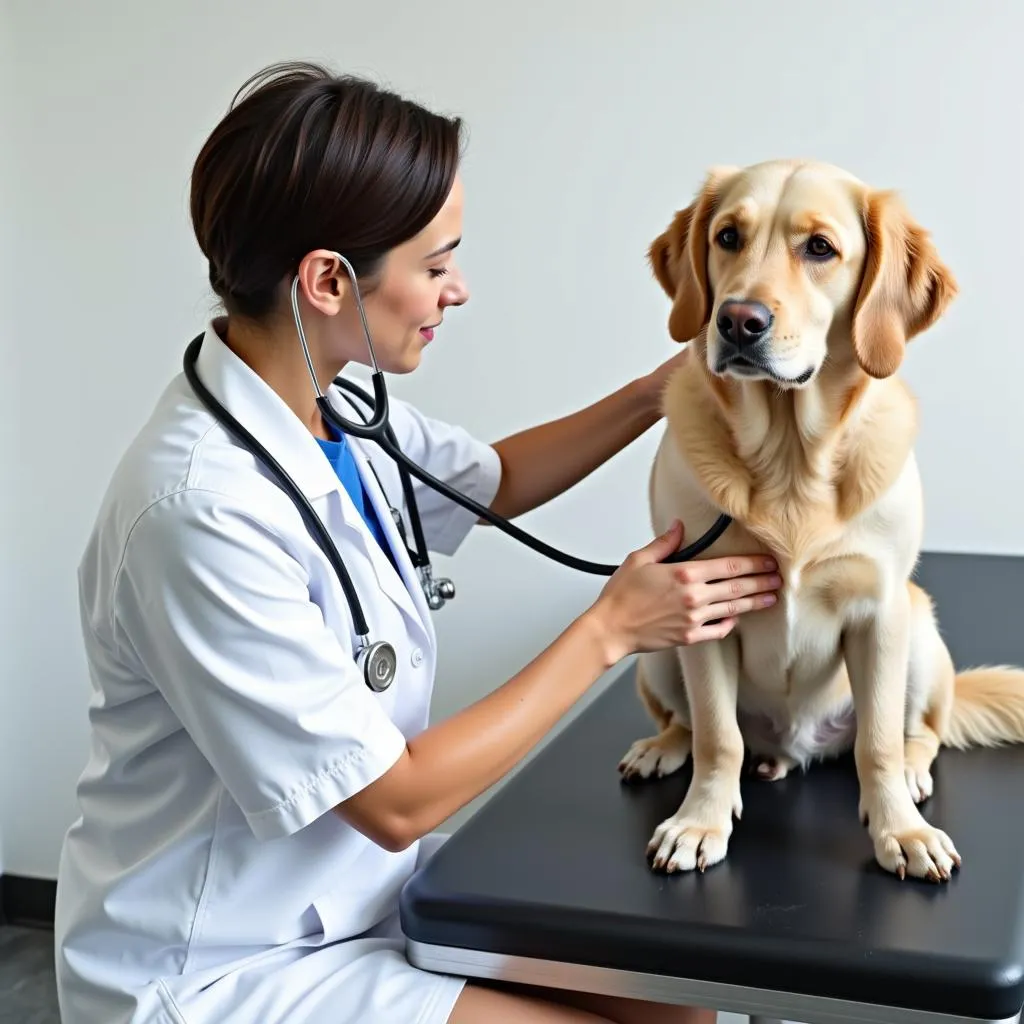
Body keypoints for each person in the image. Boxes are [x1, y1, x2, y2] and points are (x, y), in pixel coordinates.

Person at [54, 60, 783, 1024]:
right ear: (327, 281)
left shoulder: (333, 401)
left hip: (360, 892)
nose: (459, 289)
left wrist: (665, 390)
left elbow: (494, 481)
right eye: (436, 265)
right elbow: (395, 801)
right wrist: (610, 630)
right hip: (226, 961)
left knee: (678, 1003)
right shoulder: (197, 514)